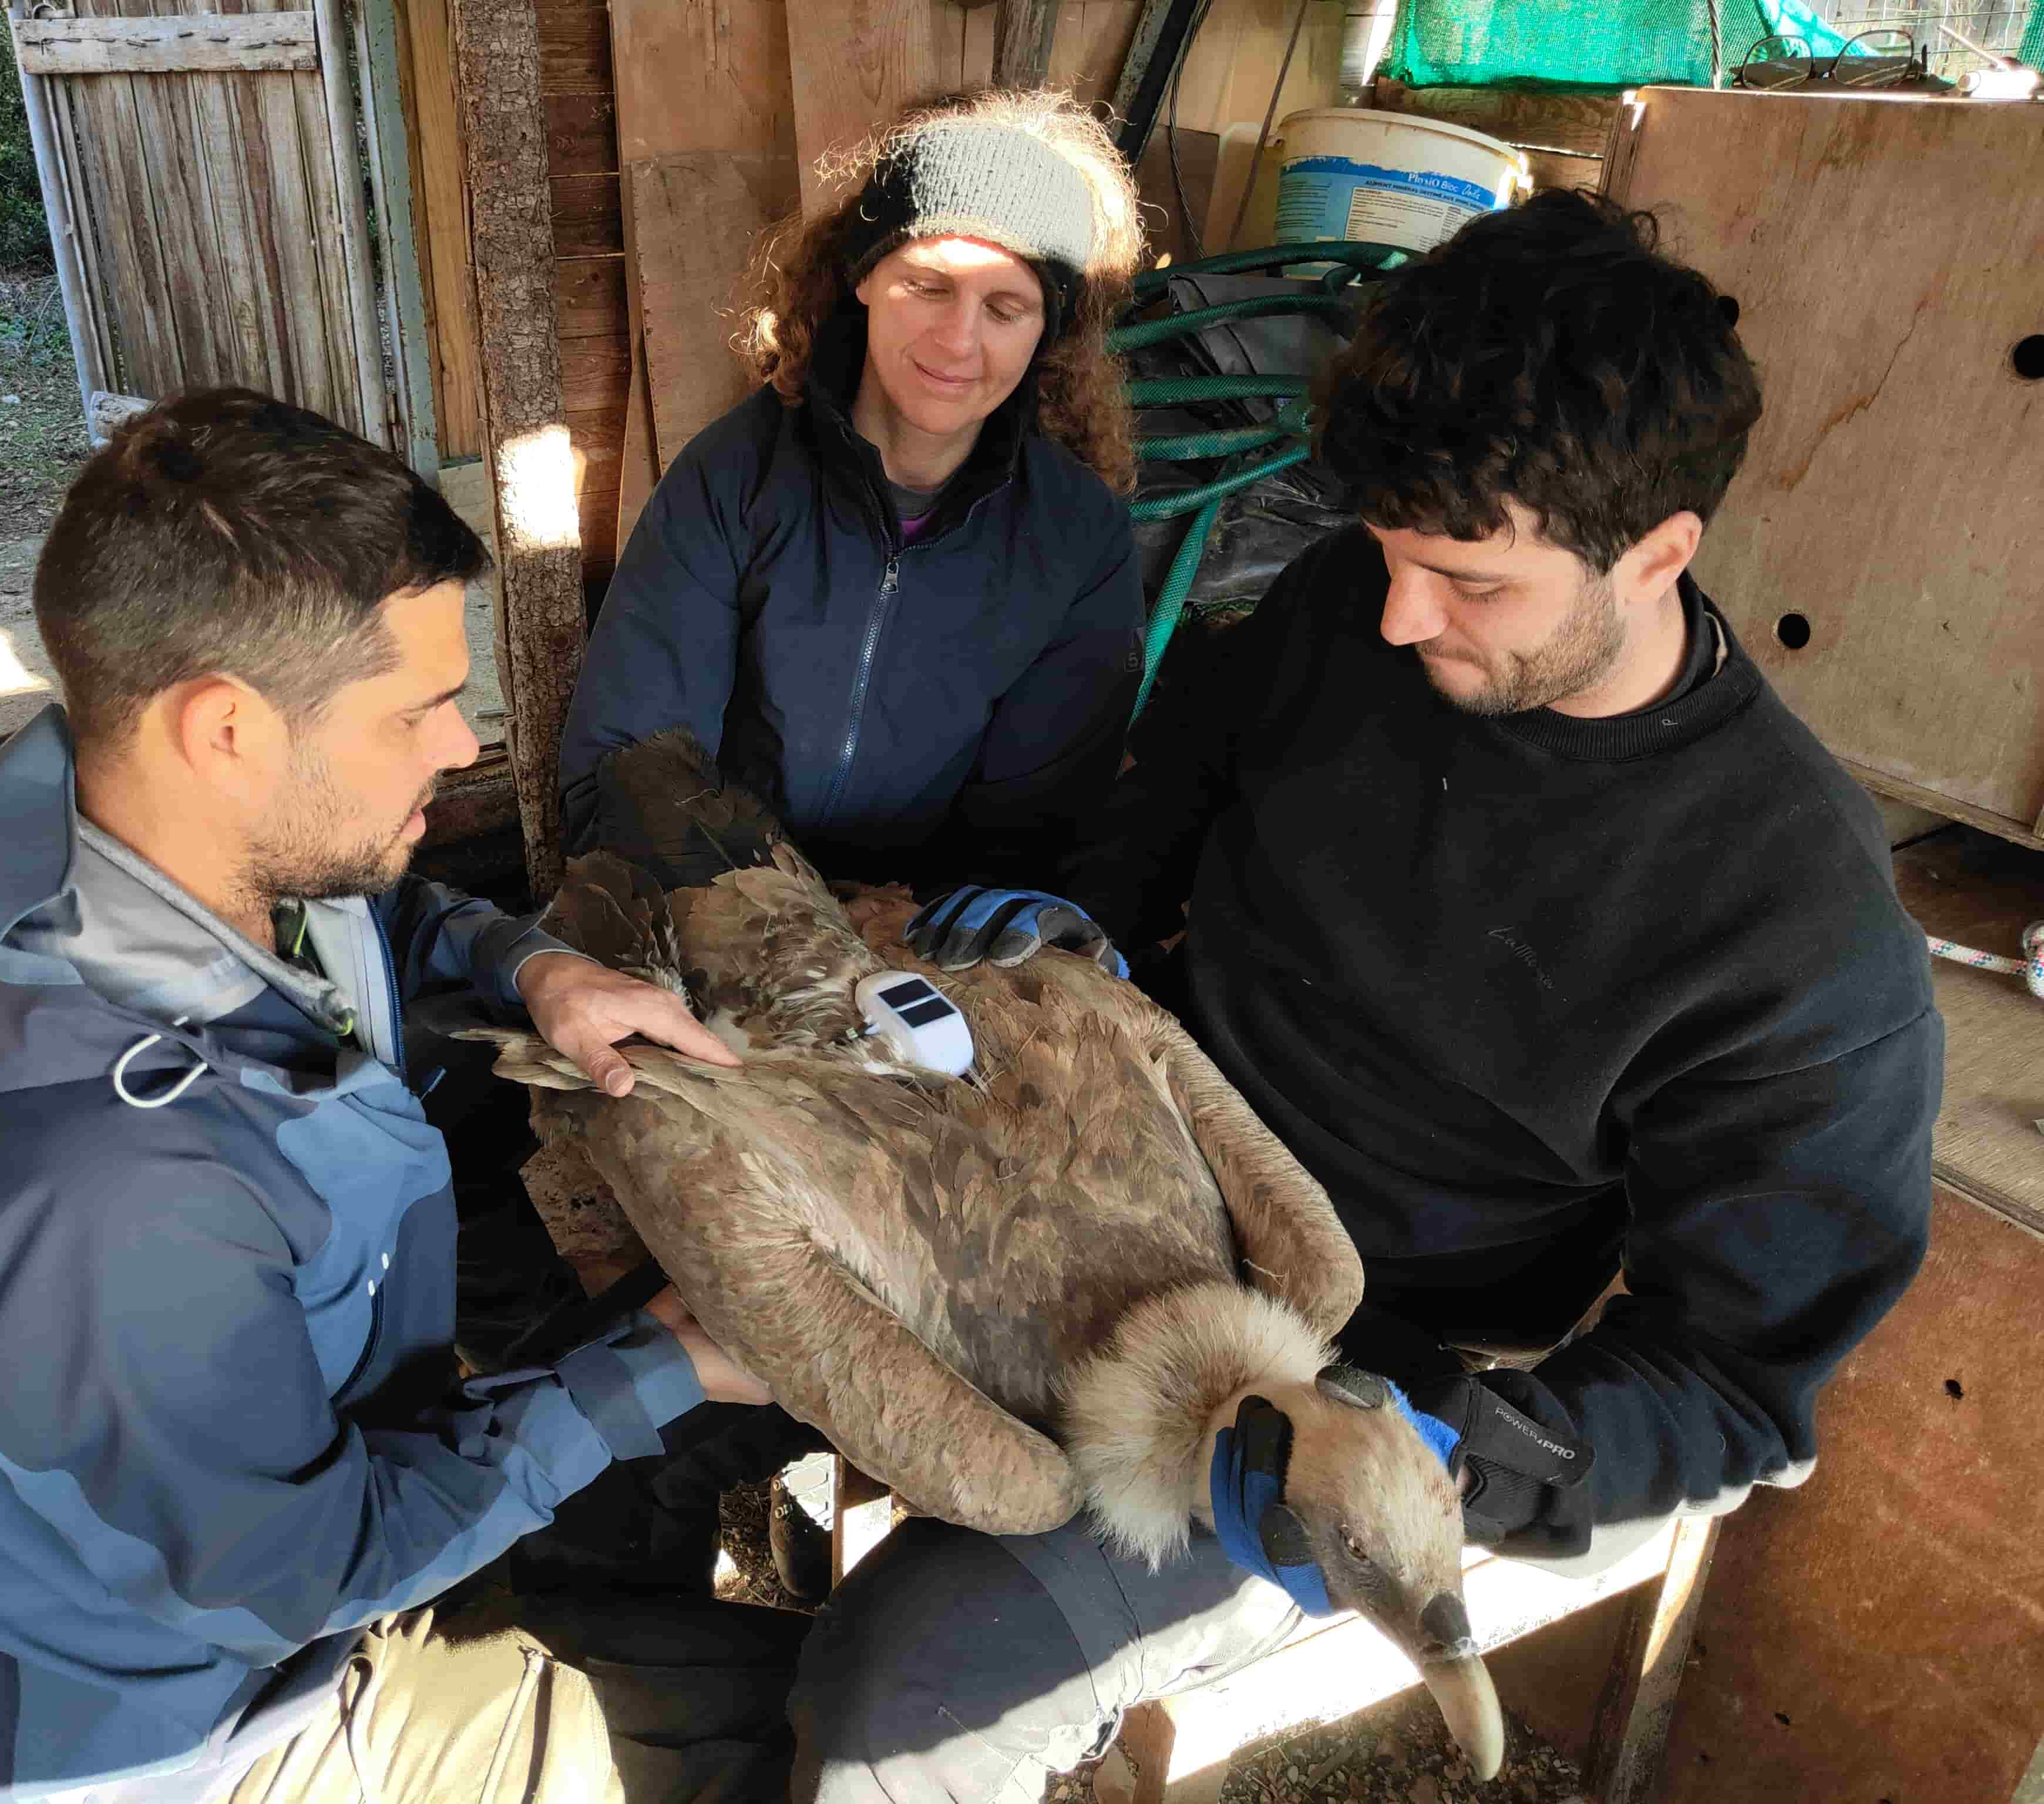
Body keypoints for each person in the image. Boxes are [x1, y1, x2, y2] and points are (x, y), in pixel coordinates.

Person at [785, 187, 1943, 1802]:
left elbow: (1738, 1382)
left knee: (901, 1700)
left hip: (1322, 1363)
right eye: (1389, 554)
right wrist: (1085, 919)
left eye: (1468, 582)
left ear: (1659, 553)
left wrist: (1452, 1456)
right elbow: (1181, 766)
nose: (1401, 618)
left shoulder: (1796, 930)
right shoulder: (1354, 603)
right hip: (1119, 1145)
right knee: (681, 1274)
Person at [0, 390, 809, 1804]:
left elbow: (370, 917)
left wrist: (531, 970)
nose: (461, 746)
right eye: (416, 709)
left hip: (299, 1487)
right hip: (211, 1721)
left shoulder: (130, 834)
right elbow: (293, 1576)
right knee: (792, 1733)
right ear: (225, 726)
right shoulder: (110, 1190)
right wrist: (652, 1367)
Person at [559, 87, 1147, 962]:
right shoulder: (737, 477)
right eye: (929, 285)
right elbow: (628, 758)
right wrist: (771, 928)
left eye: (1005, 307)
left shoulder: (1078, 538)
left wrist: (923, 939)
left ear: (1046, 328)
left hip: (927, 939)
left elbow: (1035, 824)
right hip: (716, 907)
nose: (958, 341)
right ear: (865, 276)